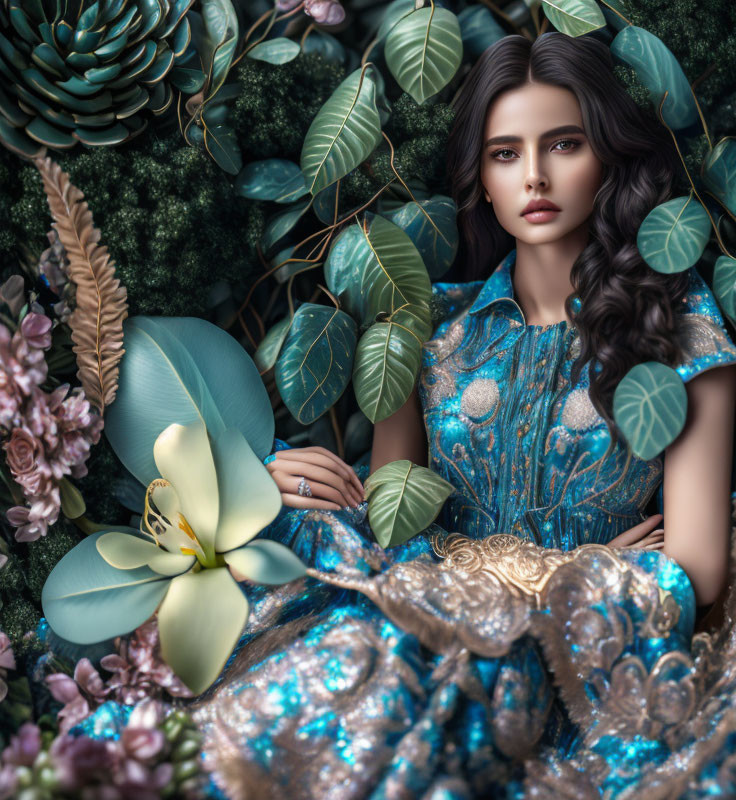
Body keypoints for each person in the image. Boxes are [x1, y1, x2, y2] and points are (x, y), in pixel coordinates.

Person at [190, 33, 736, 799]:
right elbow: (390, 529)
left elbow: (699, 571)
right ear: (479, 175)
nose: (536, 176)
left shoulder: (680, 329)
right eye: (505, 153)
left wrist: (537, 589)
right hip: (427, 626)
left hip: (586, 672)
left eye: (565, 144)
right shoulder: (431, 330)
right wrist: (271, 486)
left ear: (608, 155)